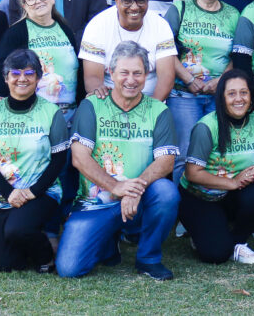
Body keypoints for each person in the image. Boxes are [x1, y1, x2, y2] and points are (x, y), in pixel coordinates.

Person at [57, 42, 180, 280]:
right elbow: (79, 158)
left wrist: (132, 191)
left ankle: (148, 259)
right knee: (69, 268)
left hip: (139, 199)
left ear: (147, 75)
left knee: (166, 192)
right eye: (124, 72)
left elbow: (166, 162)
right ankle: (108, 240)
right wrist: (116, 187)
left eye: (137, 73)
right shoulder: (91, 105)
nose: (130, 80)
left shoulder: (158, 110)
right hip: (96, 202)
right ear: (111, 73)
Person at [0, 0, 81, 234]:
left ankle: (64, 224)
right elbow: (2, 73)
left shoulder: (64, 29)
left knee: (67, 170)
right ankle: (46, 229)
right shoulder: (17, 33)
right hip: (35, 118)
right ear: (23, 5)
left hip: (69, 116)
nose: (38, 1)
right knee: (46, 172)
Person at [0, 49, 69, 273]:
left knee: (17, 230)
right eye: (15, 73)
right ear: (6, 78)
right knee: (5, 265)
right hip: (3, 195)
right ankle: (26, 238)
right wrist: (9, 193)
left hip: (41, 192)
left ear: (39, 77)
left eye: (29, 73)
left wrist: (32, 192)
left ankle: (46, 257)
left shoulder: (51, 113)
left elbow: (59, 160)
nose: (22, 79)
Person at [178, 70, 254, 264]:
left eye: (244, 92)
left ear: (252, 95)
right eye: (231, 93)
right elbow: (192, 173)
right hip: (200, 196)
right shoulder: (207, 126)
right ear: (221, 97)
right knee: (216, 254)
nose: (239, 99)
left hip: (233, 195)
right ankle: (201, 233)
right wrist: (233, 182)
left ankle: (238, 242)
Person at [163, 0, 240, 183]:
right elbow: (164, 50)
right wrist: (188, 79)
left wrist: (221, 81)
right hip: (184, 95)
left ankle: (210, 198)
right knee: (185, 153)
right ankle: (183, 202)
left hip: (219, 96)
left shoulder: (233, 15)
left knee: (216, 152)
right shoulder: (180, 9)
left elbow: (237, 55)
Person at [79, 0, 177, 100]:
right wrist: (111, 106)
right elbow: (92, 79)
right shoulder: (97, 25)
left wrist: (151, 108)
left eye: (140, 1)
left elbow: (166, 77)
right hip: (110, 102)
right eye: (127, 1)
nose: (134, 7)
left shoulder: (161, 25)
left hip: (151, 100)